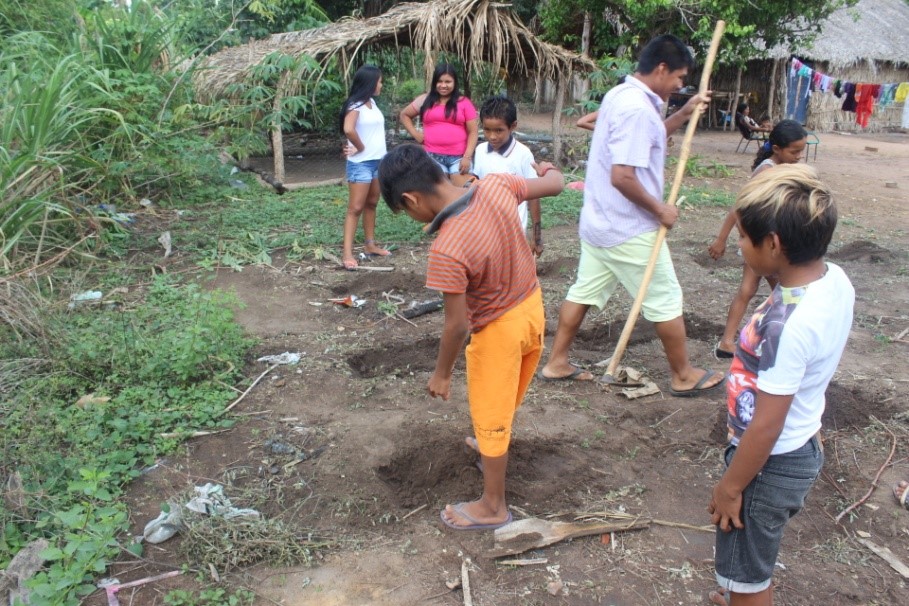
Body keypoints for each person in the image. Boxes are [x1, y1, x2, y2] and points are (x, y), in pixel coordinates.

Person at [377, 144, 564, 530]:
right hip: (532, 309)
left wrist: (442, 373)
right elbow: (556, 184)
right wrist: (547, 168)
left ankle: (493, 505)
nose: (411, 217)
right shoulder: (496, 185)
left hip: (498, 331)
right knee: (506, 397)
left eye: (405, 212)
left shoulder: (448, 248)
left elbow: (457, 325)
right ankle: (488, 446)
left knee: (491, 414)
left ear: (411, 199)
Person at [537, 34, 725, 397]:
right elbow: (622, 176)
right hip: (628, 227)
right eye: (679, 78)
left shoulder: (622, 96)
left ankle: (557, 362)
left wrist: (684, 114)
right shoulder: (636, 108)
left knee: (584, 291)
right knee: (666, 297)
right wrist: (660, 209)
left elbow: (651, 138)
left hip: (601, 223)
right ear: (661, 68)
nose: (680, 85)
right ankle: (683, 374)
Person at [707, 164, 854, 606]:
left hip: (770, 460)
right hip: (800, 441)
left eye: (744, 237)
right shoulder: (833, 280)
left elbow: (767, 427)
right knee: (749, 560)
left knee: (749, 574)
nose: (737, 242)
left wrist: (731, 487)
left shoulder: (789, 329)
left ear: (773, 244)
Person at [708, 120, 808, 357]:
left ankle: (733, 341)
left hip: (770, 242)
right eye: (794, 152)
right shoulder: (767, 171)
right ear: (776, 149)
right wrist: (721, 239)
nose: (798, 156)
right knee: (779, 291)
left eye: (800, 152)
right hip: (760, 244)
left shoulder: (782, 168)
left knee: (775, 291)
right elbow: (739, 206)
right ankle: (737, 340)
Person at [472, 96, 543, 257]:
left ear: (513, 126)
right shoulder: (480, 150)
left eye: (499, 130)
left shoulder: (523, 154)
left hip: (513, 231)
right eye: (487, 130)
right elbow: (476, 185)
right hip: (485, 230)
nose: (492, 136)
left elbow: (534, 196)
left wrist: (537, 237)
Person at [340, 65, 390, 270]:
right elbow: (348, 129)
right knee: (355, 208)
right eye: (379, 81)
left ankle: (370, 245)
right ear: (370, 82)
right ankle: (347, 253)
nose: (381, 84)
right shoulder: (356, 104)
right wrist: (360, 147)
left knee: (372, 203)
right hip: (361, 163)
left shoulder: (372, 103)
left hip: (378, 161)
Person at [399, 63, 479, 176]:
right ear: (434, 83)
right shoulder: (425, 100)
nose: (443, 85)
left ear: (455, 82)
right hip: (431, 157)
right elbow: (404, 115)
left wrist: (467, 157)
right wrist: (415, 134)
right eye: (439, 81)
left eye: (448, 82)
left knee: (462, 192)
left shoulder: (464, 102)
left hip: (459, 158)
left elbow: (473, 132)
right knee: (436, 193)